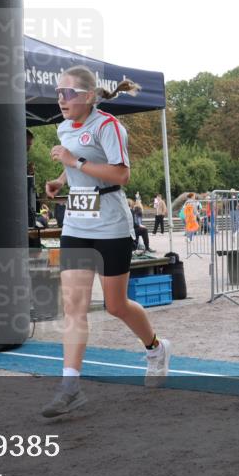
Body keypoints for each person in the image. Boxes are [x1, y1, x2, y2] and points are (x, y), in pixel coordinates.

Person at [41, 66, 170, 417]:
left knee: (116, 306)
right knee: (74, 307)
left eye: (67, 93)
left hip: (111, 225)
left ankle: (156, 348)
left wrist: (73, 161)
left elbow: (120, 173)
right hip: (77, 226)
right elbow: (79, 169)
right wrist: (60, 180)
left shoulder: (109, 126)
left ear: (87, 96)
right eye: (57, 93)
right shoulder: (64, 127)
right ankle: (70, 388)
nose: (61, 100)